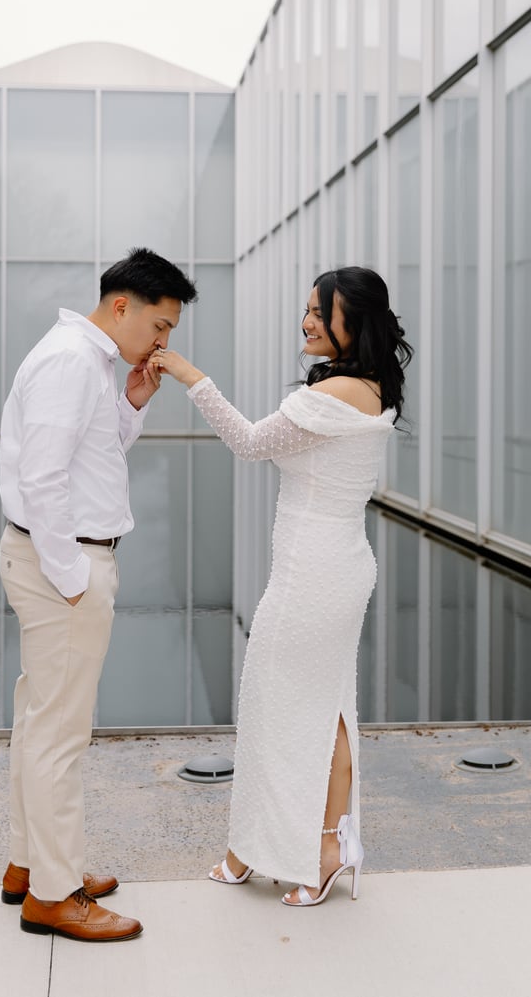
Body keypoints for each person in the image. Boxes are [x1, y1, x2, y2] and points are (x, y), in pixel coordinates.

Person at [150, 266, 412, 908]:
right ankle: (295, 846)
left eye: (322, 313)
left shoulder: (336, 392)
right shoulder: (368, 387)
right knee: (323, 707)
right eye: (308, 309)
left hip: (313, 571)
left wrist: (189, 376)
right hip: (336, 563)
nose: (308, 322)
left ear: (355, 321)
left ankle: (300, 849)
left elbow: (247, 442)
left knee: (284, 705)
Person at [0, 248, 197, 941]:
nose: (163, 342)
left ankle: (31, 864)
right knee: (61, 733)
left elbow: (90, 454)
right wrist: (73, 577)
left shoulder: (89, 364)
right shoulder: (70, 361)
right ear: (123, 306)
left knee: (39, 718)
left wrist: (133, 402)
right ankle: (53, 894)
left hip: (56, 560)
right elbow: (43, 481)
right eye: (161, 325)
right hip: (64, 567)